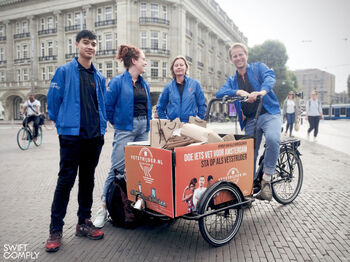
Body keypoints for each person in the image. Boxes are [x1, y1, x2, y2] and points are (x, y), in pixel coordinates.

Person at [45, 30, 106, 252]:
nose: (90, 47)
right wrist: (62, 123)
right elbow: (53, 101)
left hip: (93, 137)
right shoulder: (64, 72)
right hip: (72, 137)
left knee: (88, 181)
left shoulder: (99, 77)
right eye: (86, 43)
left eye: (93, 44)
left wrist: (102, 127)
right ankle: (55, 229)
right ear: (77, 44)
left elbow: (102, 104)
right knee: (65, 182)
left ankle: (83, 222)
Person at [93, 44, 152, 228]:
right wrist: (118, 123)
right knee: (117, 168)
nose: (146, 63)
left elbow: (147, 106)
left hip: (144, 127)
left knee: (140, 168)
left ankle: (136, 207)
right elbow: (107, 107)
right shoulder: (118, 82)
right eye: (143, 59)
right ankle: (103, 207)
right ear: (134, 61)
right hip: (125, 129)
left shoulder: (144, 83)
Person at [216, 42, 281, 201]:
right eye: (235, 56)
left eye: (240, 54)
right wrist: (238, 91)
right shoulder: (233, 80)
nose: (238, 58)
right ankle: (247, 189)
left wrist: (262, 91)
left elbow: (270, 77)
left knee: (273, 139)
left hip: (269, 113)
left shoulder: (258, 67)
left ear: (246, 55)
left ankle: (266, 180)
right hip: (251, 119)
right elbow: (220, 93)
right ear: (231, 59)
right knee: (248, 154)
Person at [156, 56, 207, 122]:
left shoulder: (195, 84)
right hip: (173, 126)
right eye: (176, 65)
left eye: (181, 65)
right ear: (173, 69)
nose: (179, 67)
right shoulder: (168, 87)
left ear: (186, 68)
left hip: (191, 126)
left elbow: (202, 105)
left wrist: (198, 120)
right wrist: (166, 122)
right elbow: (160, 107)